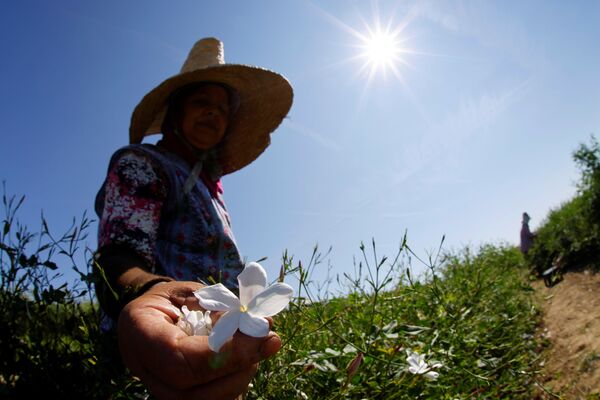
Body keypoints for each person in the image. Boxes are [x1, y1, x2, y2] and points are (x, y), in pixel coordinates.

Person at [94, 37, 293, 399]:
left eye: (222, 109)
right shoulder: (142, 164)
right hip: (159, 342)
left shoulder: (210, 189)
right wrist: (153, 291)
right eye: (201, 102)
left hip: (214, 342)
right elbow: (117, 257)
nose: (214, 113)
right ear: (174, 113)